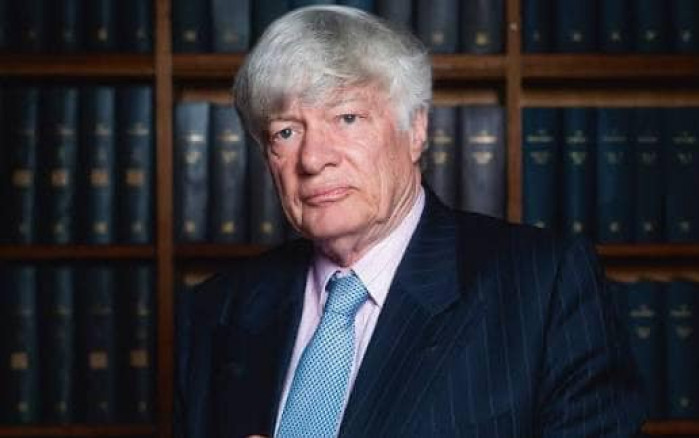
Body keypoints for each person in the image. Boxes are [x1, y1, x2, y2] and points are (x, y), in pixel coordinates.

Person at [175, 5, 645, 438]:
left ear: (416, 129)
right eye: (286, 131)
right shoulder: (216, 310)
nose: (314, 159)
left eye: (347, 118)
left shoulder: (544, 285)